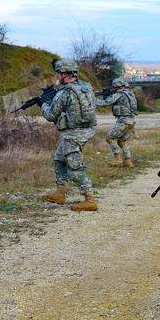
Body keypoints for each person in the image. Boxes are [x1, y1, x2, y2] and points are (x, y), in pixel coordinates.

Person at [40, 58, 99, 212]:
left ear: (65, 74)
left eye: (58, 73)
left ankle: (90, 199)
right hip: (84, 131)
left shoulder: (64, 92)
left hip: (73, 135)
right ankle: (60, 193)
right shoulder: (86, 87)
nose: (57, 76)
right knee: (59, 159)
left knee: (74, 168)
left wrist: (44, 105)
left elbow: (51, 115)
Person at [96, 77, 138, 167]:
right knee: (122, 141)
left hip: (123, 121)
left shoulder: (118, 95)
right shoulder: (130, 94)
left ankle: (118, 159)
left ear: (116, 86)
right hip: (131, 121)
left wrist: (92, 99)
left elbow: (104, 103)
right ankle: (128, 161)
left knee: (110, 138)